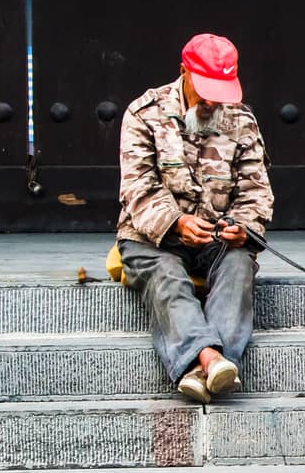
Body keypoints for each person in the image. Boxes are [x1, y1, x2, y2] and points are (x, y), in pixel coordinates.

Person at [116, 33, 273, 403]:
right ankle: (211, 359)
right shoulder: (144, 114)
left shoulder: (241, 121)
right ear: (183, 72)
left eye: (218, 91)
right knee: (167, 276)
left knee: (238, 267)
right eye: (204, 88)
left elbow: (256, 190)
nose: (209, 100)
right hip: (153, 238)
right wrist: (177, 223)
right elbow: (137, 186)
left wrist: (242, 228)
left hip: (217, 238)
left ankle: (201, 370)